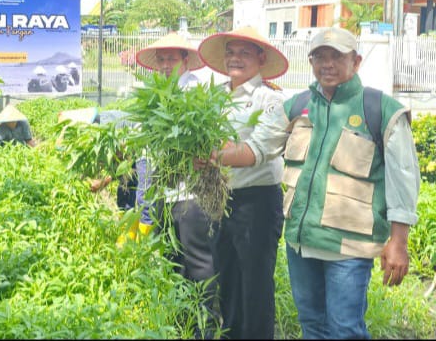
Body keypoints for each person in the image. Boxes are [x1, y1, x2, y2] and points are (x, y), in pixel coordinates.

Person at [203, 27, 420, 339]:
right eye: (320, 57)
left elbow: (403, 178)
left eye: (337, 56)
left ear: (356, 61)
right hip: (301, 243)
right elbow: (256, 149)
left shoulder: (381, 110)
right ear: (311, 62)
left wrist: (398, 242)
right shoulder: (297, 106)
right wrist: (213, 156)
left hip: (348, 247)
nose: (327, 64)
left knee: (345, 329)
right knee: (312, 326)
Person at [195, 26, 290, 339]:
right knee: (227, 283)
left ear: (261, 59)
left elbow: (255, 151)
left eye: (244, 53)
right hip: (220, 201)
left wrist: (211, 154)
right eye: (231, 52)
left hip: (256, 203)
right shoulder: (213, 98)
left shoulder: (270, 99)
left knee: (255, 288)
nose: (235, 58)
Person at [132, 32, 219, 330]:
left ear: (185, 61)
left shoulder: (194, 91)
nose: (166, 65)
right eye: (161, 59)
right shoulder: (154, 92)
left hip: (190, 194)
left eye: (172, 58)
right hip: (164, 193)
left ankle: (205, 327)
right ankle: (180, 324)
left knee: (199, 263)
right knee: (173, 260)